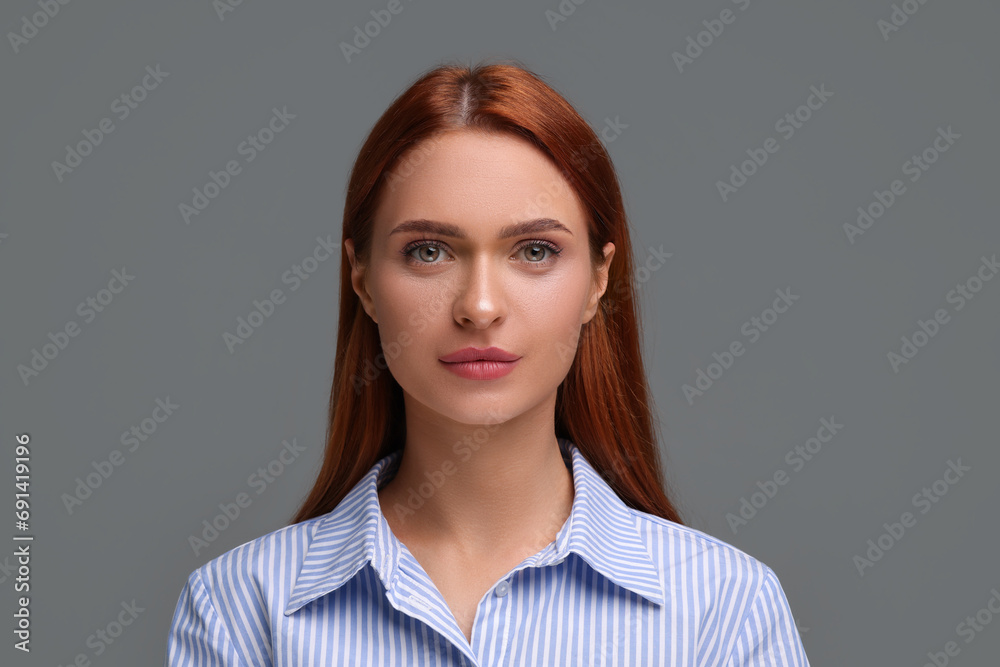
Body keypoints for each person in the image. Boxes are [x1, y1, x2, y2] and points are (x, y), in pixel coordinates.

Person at [165, 59, 811, 666]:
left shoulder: (723, 610)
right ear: (361, 279)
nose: (478, 306)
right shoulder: (240, 612)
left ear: (597, 280)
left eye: (533, 251)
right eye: (428, 252)